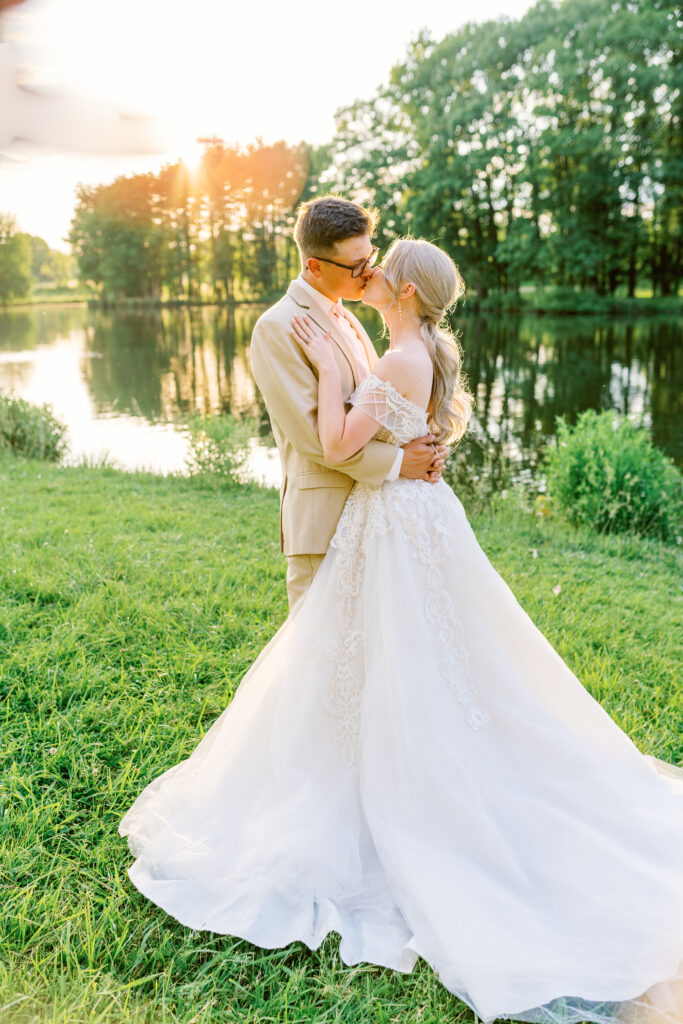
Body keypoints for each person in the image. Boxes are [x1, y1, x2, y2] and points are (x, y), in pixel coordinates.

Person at [119, 239, 683, 1024]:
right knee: (400, 659)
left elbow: (340, 443)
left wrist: (326, 376)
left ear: (408, 290)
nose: (371, 272)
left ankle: (400, 779)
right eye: (365, 260)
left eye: (383, 264)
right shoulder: (408, 346)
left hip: (392, 522)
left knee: (398, 660)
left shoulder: (397, 358)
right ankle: (370, 767)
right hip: (402, 518)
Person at [248, 195, 447, 611]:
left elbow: (380, 413)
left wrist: (421, 446)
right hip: (323, 520)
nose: (370, 270)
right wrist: (399, 464)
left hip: (373, 517)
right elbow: (317, 441)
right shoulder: (277, 328)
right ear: (314, 266)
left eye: (370, 256)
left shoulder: (351, 317)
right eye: (356, 266)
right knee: (316, 654)